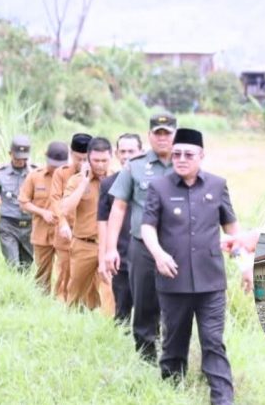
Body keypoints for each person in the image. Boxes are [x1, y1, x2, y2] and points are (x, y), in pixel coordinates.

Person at [141, 128, 253, 405]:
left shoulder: (217, 186)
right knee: (173, 343)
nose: (181, 159)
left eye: (188, 154)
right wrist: (158, 254)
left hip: (210, 282)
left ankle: (222, 398)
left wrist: (245, 265)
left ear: (201, 156)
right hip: (173, 280)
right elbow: (147, 227)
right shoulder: (159, 187)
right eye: (176, 153)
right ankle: (171, 391)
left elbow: (233, 231)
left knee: (213, 341)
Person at [105, 112, 176, 362]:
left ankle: (172, 359)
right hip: (141, 248)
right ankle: (146, 360)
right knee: (144, 305)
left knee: (176, 306)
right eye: (158, 133)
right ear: (150, 136)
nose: (162, 138)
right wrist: (111, 248)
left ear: (174, 135)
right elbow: (118, 208)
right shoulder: (135, 167)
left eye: (167, 133)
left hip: (177, 247)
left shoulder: (185, 164)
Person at [61, 137, 112, 311]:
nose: (100, 165)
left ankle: (106, 327)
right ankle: (70, 326)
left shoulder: (117, 180)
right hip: (84, 245)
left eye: (104, 160)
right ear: (88, 159)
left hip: (110, 247)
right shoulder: (77, 181)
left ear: (111, 158)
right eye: (96, 160)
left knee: (109, 293)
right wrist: (84, 182)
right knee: (75, 292)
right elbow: (66, 209)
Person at [97, 133, 143, 324]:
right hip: (120, 259)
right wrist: (104, 256)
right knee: (121, 314)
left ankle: (149, 351)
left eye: (131, 151)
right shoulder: (108, 184)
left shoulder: (152, 183)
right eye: (122, 151)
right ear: (116, 154)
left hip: (146, 259)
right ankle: (118, 348)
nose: (126, 155)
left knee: (149, 313)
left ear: (141, 152)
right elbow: (102, 222)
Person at [19, 141, 69, 293]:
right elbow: (23, 202)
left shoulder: (73, 178)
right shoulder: (35, 177)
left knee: (66, 270)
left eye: (60, 165)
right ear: (45, 157)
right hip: (41, 232)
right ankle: (42, 301)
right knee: (42, 272)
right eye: (53, 165)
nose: (56, 169)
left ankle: (62, 301)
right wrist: (42, 212)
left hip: (64, 233)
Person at [50, 133, 92, 301]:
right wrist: (62, 223)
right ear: (70, 153)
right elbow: (55, 200)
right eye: (78, 158)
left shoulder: (98, 174)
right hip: (66, 231)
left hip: (88, 233)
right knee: (65, 271)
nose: (81, 163)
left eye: (85, 159)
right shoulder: (61, 173)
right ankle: (61, 304)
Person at [0, 135, 35, 270]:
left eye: (23, 158)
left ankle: (19, 290)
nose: (20, 161)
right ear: (10, 154)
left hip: (30, 226)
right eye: (17, 158)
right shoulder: (0, 174)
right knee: (13, 264)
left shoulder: (35, 173)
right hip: (8, 225)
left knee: (27, 266)